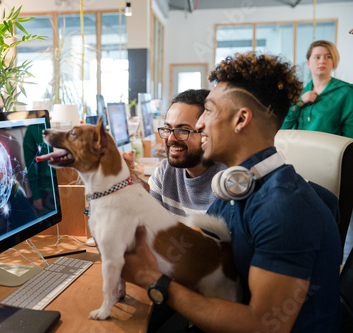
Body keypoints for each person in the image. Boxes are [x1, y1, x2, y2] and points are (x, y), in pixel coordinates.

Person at [122, 53, 341, 332]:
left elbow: (264, 326)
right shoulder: (238, 187)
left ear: (241, 119)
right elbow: (196, 252)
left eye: (209, 111)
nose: (199, 125)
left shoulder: (284, 207)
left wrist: (151, 279)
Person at [126, 89, 226, 223]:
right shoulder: (165, 172)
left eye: (182, 130)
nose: (171, 138)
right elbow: (141, 225)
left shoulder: (228, 182)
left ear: (207, 133)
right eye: (168, 129)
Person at [281, 40, 353, 138]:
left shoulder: (346, 92)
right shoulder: (299, 93)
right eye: (317, 57)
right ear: (308, 63)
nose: (322, 61)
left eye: (328, 57)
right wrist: (300, 102)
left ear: (334, 62)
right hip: (299, 150)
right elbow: (284, 128)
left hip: (331, 152)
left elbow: (350, 137)